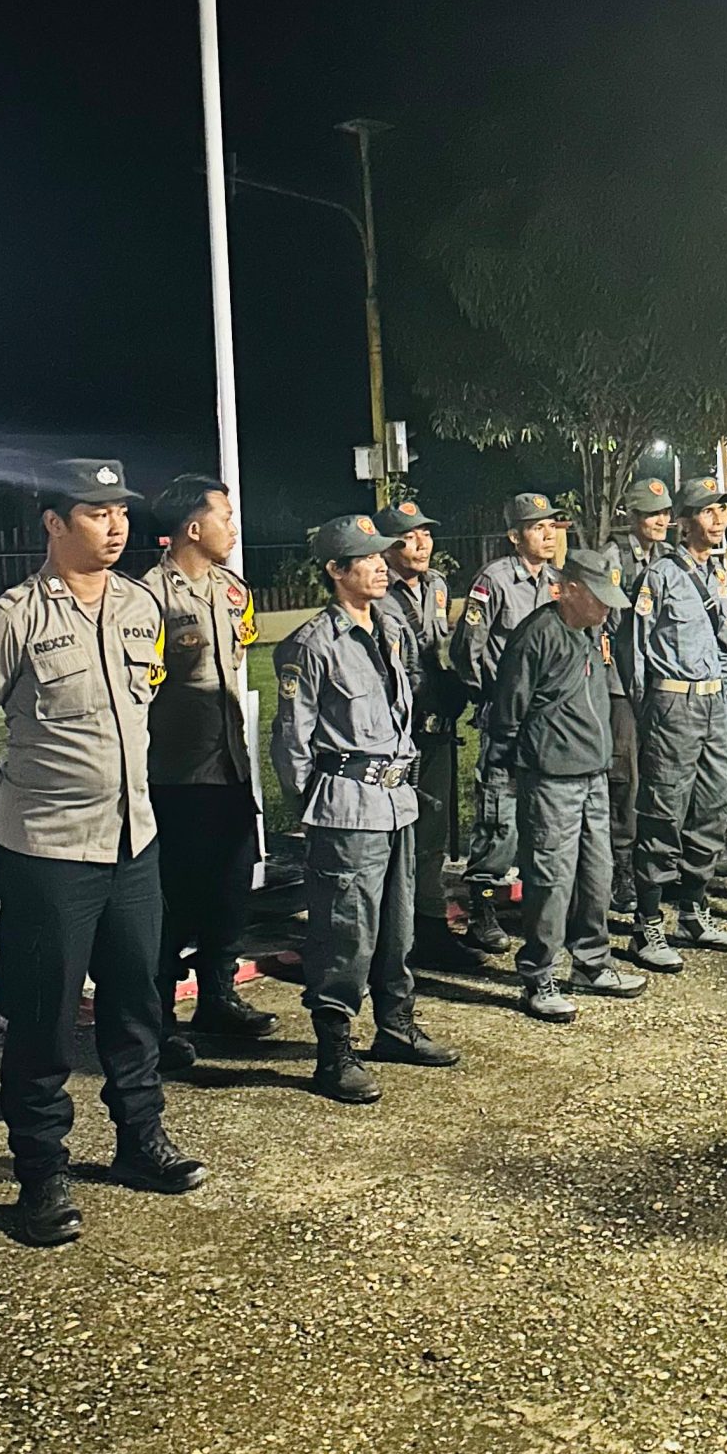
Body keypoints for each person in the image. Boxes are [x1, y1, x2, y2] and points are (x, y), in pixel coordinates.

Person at [0, 459, 207, 1247]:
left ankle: (140, 1140)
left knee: (137, 1004)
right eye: (95, 512)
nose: (115, 525)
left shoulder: (139, 606)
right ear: (54, 523)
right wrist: (1, 810)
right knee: (44, 1016)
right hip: (49, 852)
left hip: (133, 843)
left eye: (120, 511)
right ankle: (41, 1171)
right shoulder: (10, 617)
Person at [271, 512, 459, 1106]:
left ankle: (396, 1027)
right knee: (345, 934)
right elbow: (292, 742)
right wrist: (316, 805)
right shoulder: (312, 645)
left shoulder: (390, 629)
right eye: (369, 558)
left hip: (398, 802)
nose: (382, 565)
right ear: (336, 570)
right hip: (348, 808)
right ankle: (334, 1051)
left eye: (383, 555)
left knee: (397, 928)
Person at [139, 473, 270, 1077]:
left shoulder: (233, 592)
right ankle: (159, 1020)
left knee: (229, 894)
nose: (233, 528)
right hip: (175, 777)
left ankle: (217, 998)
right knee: (173, 903)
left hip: (229, 770)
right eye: (225, 516)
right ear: (193, 527)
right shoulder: (148, 599)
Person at [488, 546, 650, 1022]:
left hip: (593, 776)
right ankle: (539, 975)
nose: (606, 609)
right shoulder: (538, 635)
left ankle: (591, 962)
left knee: (596, 875)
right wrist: (511, 767)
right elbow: (509, 711)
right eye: (598, 599)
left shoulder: (591, 631)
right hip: (551, 780)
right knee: (550, 881)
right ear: (570, 590)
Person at [621, 474, 727, 969]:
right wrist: (647, 709)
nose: (719, 520)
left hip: (713, 703)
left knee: (713, 806)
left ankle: (694, 911)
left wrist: (725, 690)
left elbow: (725, 642)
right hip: (673, 704)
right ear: (685, 522)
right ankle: (647, 924)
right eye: (708, 511)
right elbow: (636, 649)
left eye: (723, 510)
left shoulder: (719, 573)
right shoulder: (661, 575)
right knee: (664, 810)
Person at [376, 497, 485, 971]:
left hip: (436, 729)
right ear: (386, 547)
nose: (421, 544)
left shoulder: (437, 585)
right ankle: (392, 934)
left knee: (432, 833)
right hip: (394, 735)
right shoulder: (376, 590)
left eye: (425, 533)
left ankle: (431, 927)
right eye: (408, 536)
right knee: (393, 838)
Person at [451, 492, 563, 953]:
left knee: (544, 816)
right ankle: (482, 909)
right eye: (537, 527)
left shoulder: (556, 581)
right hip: (506, 719)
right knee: (499, 816)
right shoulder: (494, 579)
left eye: (552, 526)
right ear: (515, 536)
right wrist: (492, 698)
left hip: (547, 722)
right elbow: (468, 649)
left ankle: (535, 908)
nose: (548, 534)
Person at [604, 475, 674, 921]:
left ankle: (656, 859)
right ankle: (621, 866)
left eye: (665, 513)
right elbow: (610, 623)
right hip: (621, 682)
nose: (660, 521)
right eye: (651, 514)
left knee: (658, 770)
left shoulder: (667, 558)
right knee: (624, 776)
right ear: (632, 517)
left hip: (657, 682)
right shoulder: (615, 557)